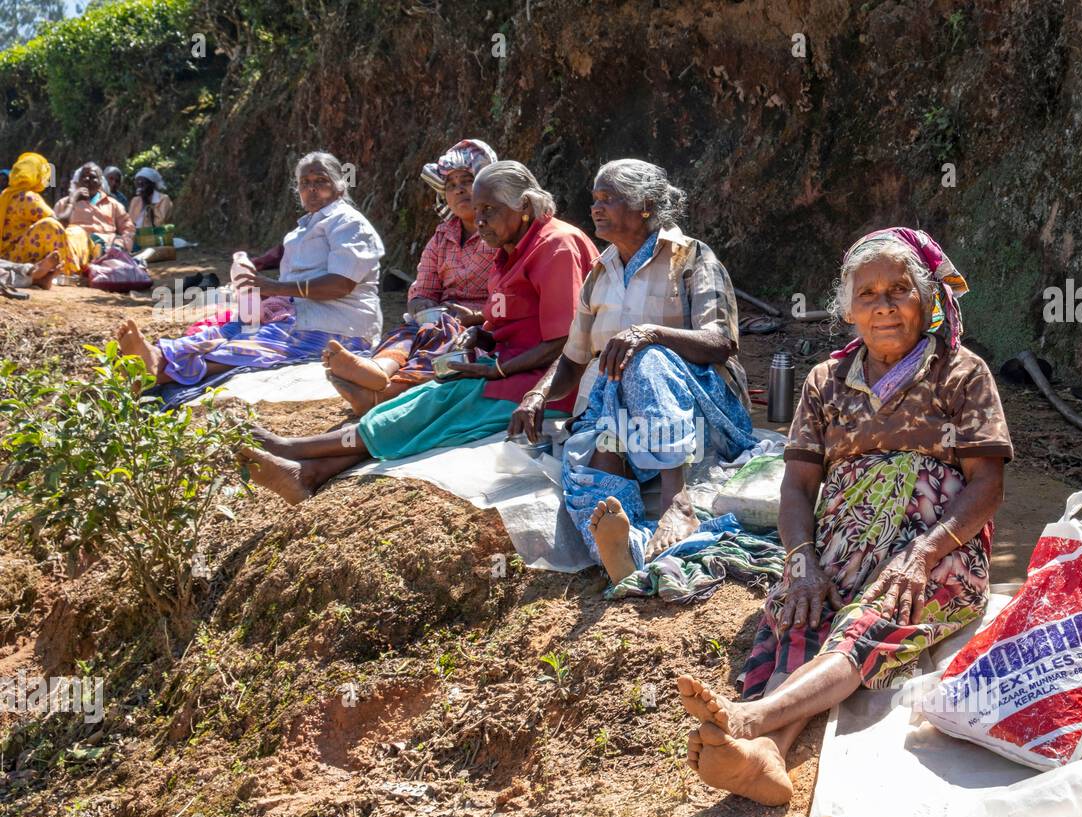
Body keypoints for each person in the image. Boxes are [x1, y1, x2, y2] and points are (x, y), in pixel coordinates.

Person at [674, 227, 1013, 806]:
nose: (883, 307)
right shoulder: (825, 383)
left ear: (928, 301)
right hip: (841, 542)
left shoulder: (961, 373)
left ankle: (751, 720)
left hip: (935, 547)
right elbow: (798, 485)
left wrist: (922, 553)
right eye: (868, 294)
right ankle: (768, 758)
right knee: (801, 611)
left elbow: (988, 484)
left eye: (899, 291)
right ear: (847, 309)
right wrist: (801, 560)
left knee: (866, 622)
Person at [244, 160, 598, 504]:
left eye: (489, 209)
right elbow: (512, 320)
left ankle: (292, 449)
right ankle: (307, 474)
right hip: (508, 368)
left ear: (523, 206)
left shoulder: (555, 247)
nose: (480, 219)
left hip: (548, 386)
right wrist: (482, 334)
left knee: (428, 411)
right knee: (414, 403)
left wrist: (497, 369)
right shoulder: (509, 249)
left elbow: (566, 342)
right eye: (478, 209)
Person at [509, 159, 753, 583]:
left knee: (644, 358)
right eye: (595, 199)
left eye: (609, 199)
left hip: (699, 408)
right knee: (602, 447)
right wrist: (538, 395)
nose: (596, 208)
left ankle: (676, 500)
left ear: (647, 205)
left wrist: (649, 333)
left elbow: (722, 342)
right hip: (622, 414)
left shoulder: (692, 258)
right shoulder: (599, 272)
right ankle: (629, 553)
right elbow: (573, 357)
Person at [115, 151, 384, 385]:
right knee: (232, 327)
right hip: (301, 311)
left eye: (321, 181)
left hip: (343, 324)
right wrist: (261, 291)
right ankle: (161, 356)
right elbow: (297, 280)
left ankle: (163, 373)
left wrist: (274, 288)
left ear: (339, 186)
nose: (312, 189)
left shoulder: (348, 224)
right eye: (305, 183)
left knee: (262, 340)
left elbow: (341, 284)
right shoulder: (305, 227)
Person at [323, 138, 498, 415]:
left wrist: (476, 316)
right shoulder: (442, 236)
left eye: (466, 180)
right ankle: (379, 369)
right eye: (450, 185)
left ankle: (385, 395)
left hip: (484, 328)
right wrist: (421, 305)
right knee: (407, 333)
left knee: (443, 339)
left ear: (486, 185)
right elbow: (424, 286)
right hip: (441, 318)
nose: (458, 190)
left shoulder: (500, 231)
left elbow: (512, 295)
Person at [0, 153, 93, 275]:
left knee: (76, 231)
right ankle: (64, 269)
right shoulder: (28, 197)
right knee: (50, 226)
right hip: (15, 258)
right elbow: (60, 223)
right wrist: (73, 199)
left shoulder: (7, 194)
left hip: (8, 256)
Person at [53, 162, 134, 251]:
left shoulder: (113, 204)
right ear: (79, 181)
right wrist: (73, 200)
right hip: (75, 247)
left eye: (92, 177)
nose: (87, 179)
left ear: (100, 182)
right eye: (83, 176)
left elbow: (128, 228)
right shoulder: (63, 203)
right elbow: (55, 227)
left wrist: (121, 243)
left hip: (106, 248)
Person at [127, 167, 174, 233]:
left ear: (153, 185)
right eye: (138, 183)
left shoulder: (164, 199)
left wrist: (147, 202)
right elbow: (130, 222)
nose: (140, 187)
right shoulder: (135, 200)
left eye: (144, 183)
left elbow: (158, 225)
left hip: (155, 237)